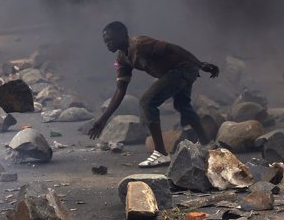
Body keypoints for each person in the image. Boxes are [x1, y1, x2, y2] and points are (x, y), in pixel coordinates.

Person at [88, 21, 219, 167]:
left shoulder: (140, 44)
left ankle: (161, 153)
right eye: (105, 41)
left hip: (183, 69)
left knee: (147, 101)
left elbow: (173, 48)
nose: (107, 44)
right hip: (174, 72)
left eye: (110, 39)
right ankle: (207, 144)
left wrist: (200, 64)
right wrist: (103, 119)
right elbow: (120, 89)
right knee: (182, 105)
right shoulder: (121, 59)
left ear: (122, 35)